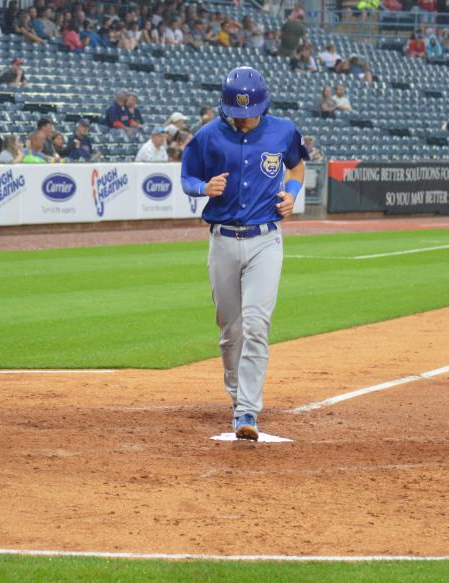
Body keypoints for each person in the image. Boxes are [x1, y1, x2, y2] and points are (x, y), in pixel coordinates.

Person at [181, 66, 308, 441]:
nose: (242, 119)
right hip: (222, 240)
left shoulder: (283, 130)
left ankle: (247, 410)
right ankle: (238, 398)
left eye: (248, 112)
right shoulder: (207, 136)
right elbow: (186, 178)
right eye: (235, 113)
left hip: (265, 240)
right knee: (230, 330)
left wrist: (292, 193)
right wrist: (204, 186)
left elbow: (297, 166)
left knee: (256, 325)